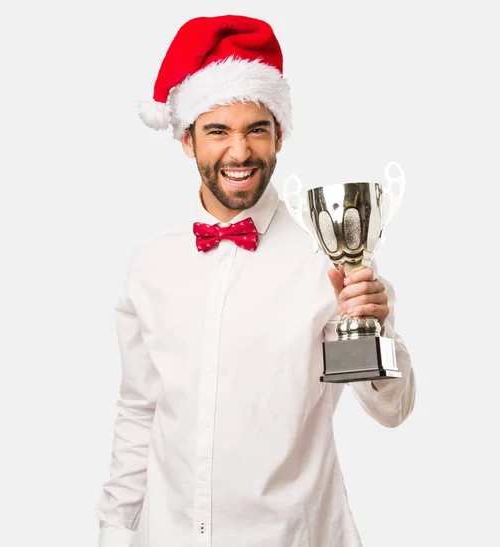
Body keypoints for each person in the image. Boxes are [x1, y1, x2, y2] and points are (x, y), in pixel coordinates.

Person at [95, 14, 415, 547]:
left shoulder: (327, 260)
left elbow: (392, 410)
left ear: (279, 136)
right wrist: (113, 530)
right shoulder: (150, 263)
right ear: (186, 140)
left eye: (255, 130)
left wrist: (374, 329)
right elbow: (137, 410)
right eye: (217, 131)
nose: (238, 152)